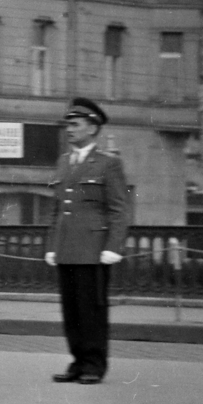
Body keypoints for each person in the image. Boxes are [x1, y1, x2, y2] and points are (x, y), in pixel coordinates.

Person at [44, 97, 130, 384]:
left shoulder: (108, 164)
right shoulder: (64, 162)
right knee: (71, 310)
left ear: (92, 128)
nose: (69, 130)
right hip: (67, 248)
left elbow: (118, 209)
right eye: (68, 125)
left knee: (91, 309)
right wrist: (51, 247)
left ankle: (94, 364)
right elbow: (57, 210)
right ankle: (77, 361)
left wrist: (113, 248)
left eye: (75, 124)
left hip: (94, 251)